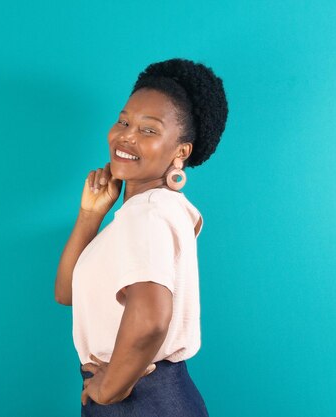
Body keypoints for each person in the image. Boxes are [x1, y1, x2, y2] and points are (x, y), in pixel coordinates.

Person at [54, 57, 228, 416]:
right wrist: (90, 216)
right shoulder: (154, 211)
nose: (126, 136)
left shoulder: (147, 214)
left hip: (141, 401)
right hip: (151, 397)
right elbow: (67, 293)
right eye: (123, 121)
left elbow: (150, 319)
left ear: (181, 151)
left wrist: (109, 387)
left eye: (149, 130)